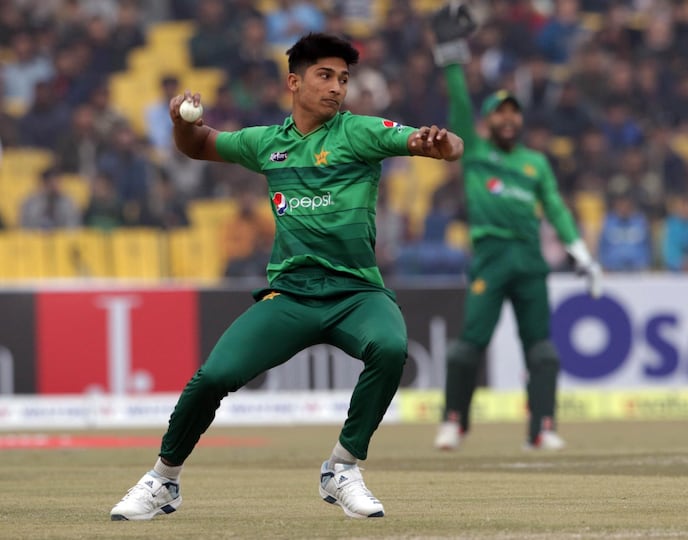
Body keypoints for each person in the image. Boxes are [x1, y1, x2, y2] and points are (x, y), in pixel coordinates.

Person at [109, 32, 463, 521]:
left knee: (390, 347)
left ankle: (342, 468)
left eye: (343, 78)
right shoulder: (265, 144)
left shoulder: (358, 132)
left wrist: (438, 143)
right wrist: (180, 122)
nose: (338, 87)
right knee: (212, 377)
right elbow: (198, 145)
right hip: (290, 296)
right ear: (294, 82)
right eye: (325, 76)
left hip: (356, 293)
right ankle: (162, 480)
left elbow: (439, 145)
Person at [429, 3, 601, 452]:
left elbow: (557, 209)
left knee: (540, 349)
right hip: (490, 255)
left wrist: (579, 251)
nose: (508, 119)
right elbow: (460, 102)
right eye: (500, 113)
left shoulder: (534, 163)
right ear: (489, 122)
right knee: (468, 346)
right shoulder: (476, 152)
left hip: (529, 258)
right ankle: (454, 421)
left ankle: (541, 428)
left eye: (514, 113)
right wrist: (451, 55)